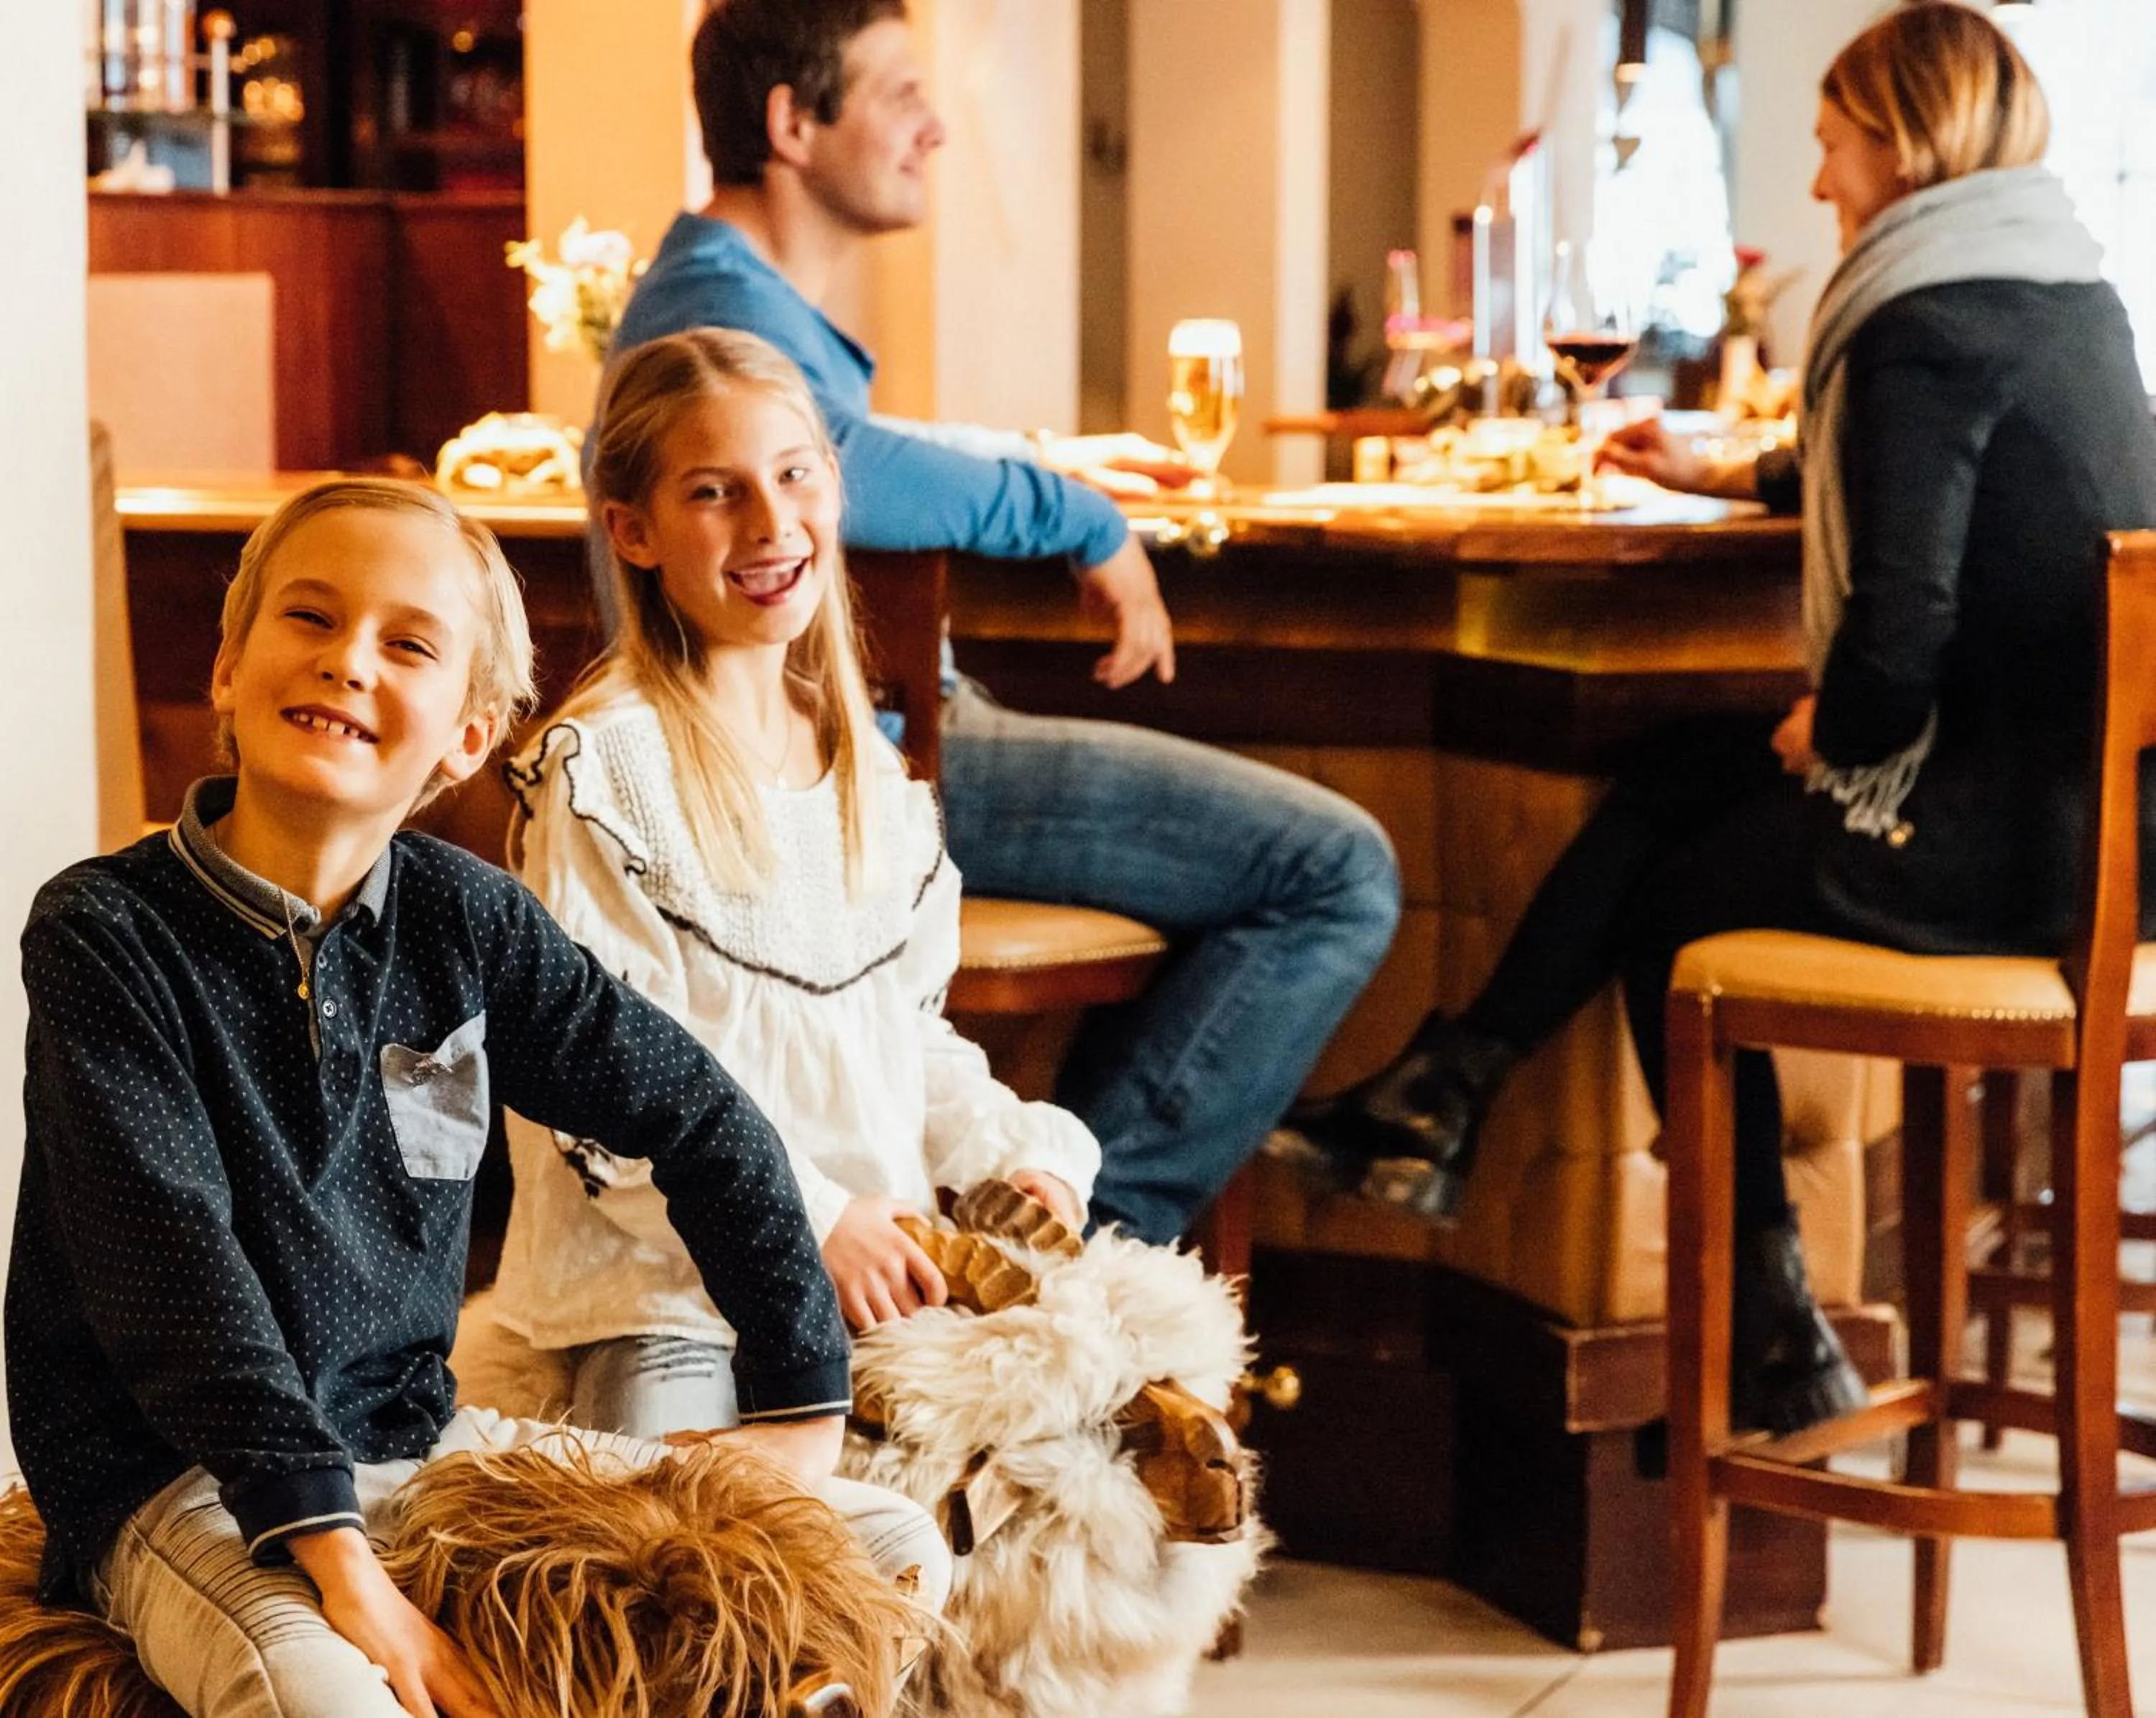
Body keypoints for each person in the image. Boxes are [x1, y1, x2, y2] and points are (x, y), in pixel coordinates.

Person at [1283, 1, 2156, 1434]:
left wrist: (1841, 729)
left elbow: (1898, 639)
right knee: (1670, 775)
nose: (1819, 182)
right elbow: (1945, 485)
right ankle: (1450, 1091)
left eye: (1831, 145)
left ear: (1904, 137)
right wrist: (1745, 468)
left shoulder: (1922, 317)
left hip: (1996, 850)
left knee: (1676, 918)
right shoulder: (2059, 285)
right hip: (2101, 832)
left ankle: (1766, 1319)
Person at [4, 478, 948, 1718]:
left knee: (888, 1547)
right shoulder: (105, 932)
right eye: (310, 618)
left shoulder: (471, 921)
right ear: (228, 667)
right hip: (182, 1478)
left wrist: (802, 1401)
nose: (348, 663)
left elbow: (702, 1117)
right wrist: (351, 1580)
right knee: (322, 1700)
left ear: (468, 733)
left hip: (417, 1438)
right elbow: (175, 1275)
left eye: (407, 644)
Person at [599, 0, 1401, 1246]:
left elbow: (849, 447)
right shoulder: (719, 310)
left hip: (854, 741)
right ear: (792, 123)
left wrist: (1050, 457)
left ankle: (1043, 1224)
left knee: (1323, 861)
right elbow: (847, 463)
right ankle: (1083, 1256)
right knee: (1334, 869)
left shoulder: (729, 293)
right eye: (902, 92)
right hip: (837, 761)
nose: (939, 128)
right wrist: (1078, 513)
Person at [491, 327, 1103, 1432]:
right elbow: (597, 1096)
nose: (771, 524)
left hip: (873, 1282)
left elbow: (904, 1035)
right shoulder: (604, 772)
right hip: (669, 1298)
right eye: (715, 492)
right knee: (691, 1559)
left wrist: (1011, 1159)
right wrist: (809, 1218)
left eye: (794, 475)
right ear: (634, 531)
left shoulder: (869, 772)